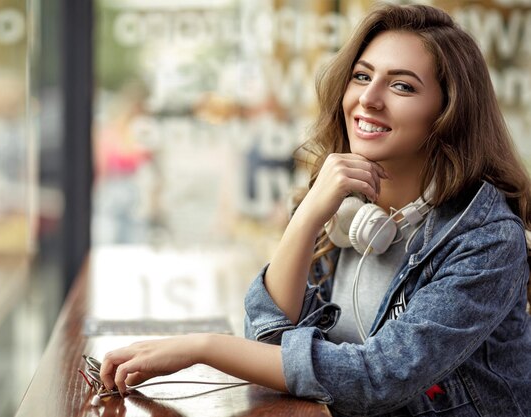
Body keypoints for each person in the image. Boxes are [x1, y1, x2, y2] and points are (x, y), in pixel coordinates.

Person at [98, 4, 531, 416]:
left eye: (402, 85)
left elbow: (377, 379)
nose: (369, 99)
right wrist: (307, 216)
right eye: (362, 77)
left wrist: (202, 348)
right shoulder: (347, 209)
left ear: (448, 113)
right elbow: (268, 342)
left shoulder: (486, 239)